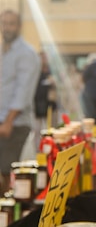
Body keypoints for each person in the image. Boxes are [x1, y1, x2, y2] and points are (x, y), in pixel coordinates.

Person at [0, 10, 40, 194]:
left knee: (5, 173)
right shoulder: (3, 52)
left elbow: (23, 91)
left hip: (14, 124)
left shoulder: (26, 54)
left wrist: (8, 121)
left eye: (11, 23)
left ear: (19, 26)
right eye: (4, 23)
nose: (6, 27)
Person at [33, 51, 57, 148]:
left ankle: (52, 148)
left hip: (51, 104)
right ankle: (38, 150)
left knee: (52, 128)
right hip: (37, 103)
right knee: (37, 130)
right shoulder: (35, 71)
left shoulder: (52, 71)